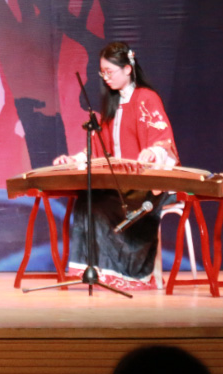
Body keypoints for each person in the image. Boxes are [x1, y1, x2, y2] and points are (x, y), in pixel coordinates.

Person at [53, 42, 179, 290]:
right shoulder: (111, 106)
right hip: (121, 183)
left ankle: (132, 274)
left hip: (148, 184)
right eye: (102, 72)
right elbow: (97, 150)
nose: (106, 77)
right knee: (89, 199)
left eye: (109, 71)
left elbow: (163, 140)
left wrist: (152, 152)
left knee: (120, 203)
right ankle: (100, 271)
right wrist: (74, 160)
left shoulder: (146, 98)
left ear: (128, 69)